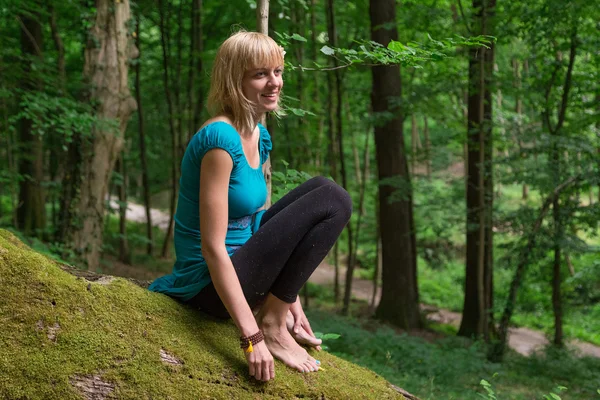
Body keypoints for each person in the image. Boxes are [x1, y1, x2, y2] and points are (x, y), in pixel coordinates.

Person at [149, 31, 351, 382]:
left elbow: (258, 223)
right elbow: (212, 249)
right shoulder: (219, 141)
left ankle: (277, 316)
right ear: (233, 80)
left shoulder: (258, 133)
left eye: (277, 71)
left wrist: (289, 298)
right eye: (260, 74)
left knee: (324, 189)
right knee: (332, 197)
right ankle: (271, 328)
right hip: (206, 284)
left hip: (244, 263)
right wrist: (252, 338)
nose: (274, 82)